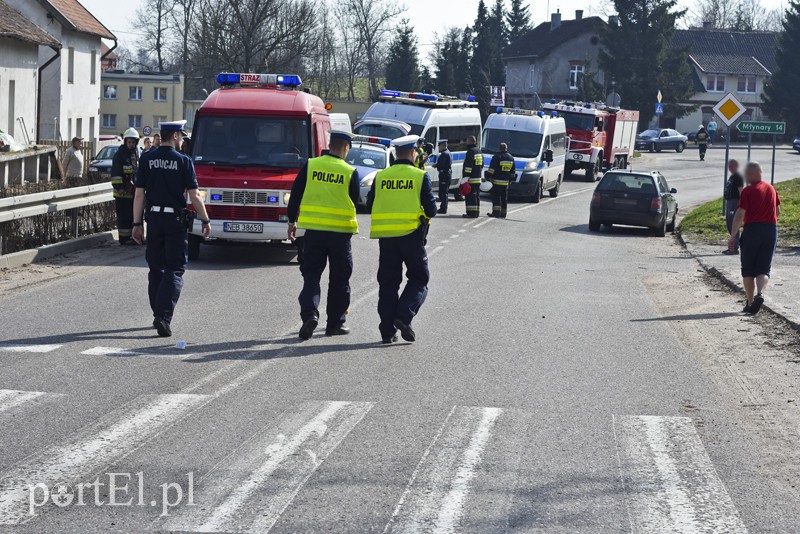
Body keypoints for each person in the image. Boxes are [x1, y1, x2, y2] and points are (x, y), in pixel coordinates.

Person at [132, 120, 211, 337]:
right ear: (175, 136)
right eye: (181, 137)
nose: (182, 140)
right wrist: (205, 220)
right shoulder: (184, 161)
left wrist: (136, 224)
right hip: (175, 221)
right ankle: (163, 316)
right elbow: (194, 196)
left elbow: (139, 195)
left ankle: (157, 311)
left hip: (154, 219)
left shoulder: (147, 159)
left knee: (155, 267)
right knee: (174, 268)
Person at [288, 130, 360, 340]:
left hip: (314, 232)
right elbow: (354, 202)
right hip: (340, 235)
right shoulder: (349, 171)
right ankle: (335, 324)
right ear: (346, 147)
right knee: (340, 279)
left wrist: (292, 221)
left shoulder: (311, 165)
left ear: (330, 145)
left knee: (311, 275)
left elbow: (296, 194)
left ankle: (310, 315)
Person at [368, 135, 438, 344]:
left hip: (386, 237)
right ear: (412, 152)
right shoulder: (418, 176)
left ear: (396, 153)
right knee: (419, 278)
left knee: (388, 284)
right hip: (411, 236)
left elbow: (371, 203)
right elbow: (432, 209)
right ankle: (403, 316)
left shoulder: (381, 176)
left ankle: (387, 332)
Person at [728, 162, 781, 315]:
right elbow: (777, 212)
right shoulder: (771, 189)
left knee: (748, 270)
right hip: (771, 230)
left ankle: (750, 303)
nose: (746, 176)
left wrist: (733, 236)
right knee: (764, 269)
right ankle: (760, 294)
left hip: (752, 230)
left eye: (747, 173)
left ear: (756, 172)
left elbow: (739, 214)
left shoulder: (748, 191)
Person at [111, 128, 140, 244]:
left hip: (133, 191)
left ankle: (135, 237)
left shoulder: (136, 153)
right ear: (125, 142)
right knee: (124, 217)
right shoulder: (120, 155)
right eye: (129, 142)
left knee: (134, 216)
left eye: (133, 142)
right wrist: (120, 188)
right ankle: (124, 239)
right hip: (122, 193)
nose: (131, 145)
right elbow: (116, 174)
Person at [486, 142, 515, 218]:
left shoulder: (497, 157)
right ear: (506, 148)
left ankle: (496, 212)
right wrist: (510, 181)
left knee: (496, 197)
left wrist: (487, 177)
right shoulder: (511, 158)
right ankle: (503, 213)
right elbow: (513, 172)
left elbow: (492, 169)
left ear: (499, 148)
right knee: (504, 198)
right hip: (505, 183)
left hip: (496, 181)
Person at [723, 159, 745, 255]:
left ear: (736, 166)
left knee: (733, 224)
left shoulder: (738, 177)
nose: (730, 168)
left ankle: (734, 248)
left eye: (732, 166)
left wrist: (740, 204)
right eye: (729, 166)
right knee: (729, 223)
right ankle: (732, 247)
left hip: (735, 203)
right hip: (730, 202)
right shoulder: (732, 177)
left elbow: (741, 191)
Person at [463, 135, 483, 218]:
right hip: (478, 177)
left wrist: (466, 177)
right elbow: (482, 165)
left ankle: (471, 213)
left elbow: (468, 166)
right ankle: (476, 212)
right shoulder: (479, 151)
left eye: (467, 141)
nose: (466, 143)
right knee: (476, 196)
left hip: (471, 178)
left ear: (471, 142)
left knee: (470, 196)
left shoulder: (470, 151)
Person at [435, 139, 452, 215]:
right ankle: (443, 207)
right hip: (446, 174)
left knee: (443, 192)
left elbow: (442, 165)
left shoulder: (444, 154)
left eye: (439, 146)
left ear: (443, 146)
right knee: (443, 192)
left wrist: (436, 165)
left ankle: (443, 208)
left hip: (444, 175)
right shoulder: (447, 153)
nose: (439, 148)